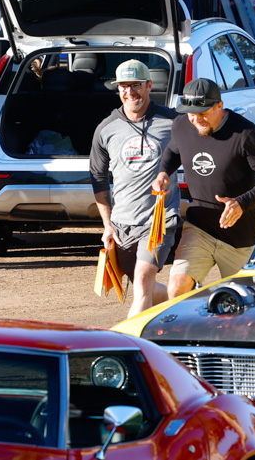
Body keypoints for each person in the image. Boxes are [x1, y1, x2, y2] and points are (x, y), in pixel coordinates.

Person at [151, 78, 255, 298]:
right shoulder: (183, 125)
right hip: (199, 227)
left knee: (246, 302)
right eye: (191, 113)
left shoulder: (244, 133)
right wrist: (164, 172)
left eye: (202, 113)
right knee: (177, 287)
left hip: (240, 237)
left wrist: (241, 203)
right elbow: (173, 151)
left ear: (219, 106)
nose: (195, 119)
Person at [90, 60, 179, 318]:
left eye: (136, 86)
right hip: (122, 225)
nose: (130, 92)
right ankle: (184, 294)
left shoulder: (173, 122)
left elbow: (201, 151)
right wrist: (107, 224)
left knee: (141, 281)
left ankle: (127, 345)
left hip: (159, 221)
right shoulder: (106, 129)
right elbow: (98, 177)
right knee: (149, 289)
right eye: (124, 87)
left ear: (150, 86)